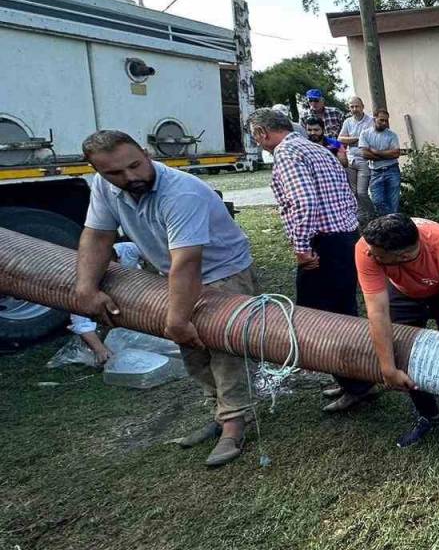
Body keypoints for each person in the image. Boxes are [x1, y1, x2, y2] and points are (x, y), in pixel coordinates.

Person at [74, 130, 258, 467]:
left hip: (222, 272)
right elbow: (98, 235)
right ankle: (223, 413)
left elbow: (188, 260)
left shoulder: (181, 192)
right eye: (115, 173)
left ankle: (234, 424)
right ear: (98, 171)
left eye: (135, 165)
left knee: (226, 347)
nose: (130, 177)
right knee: (192, 349)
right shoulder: (105, 187)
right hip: (170, 270)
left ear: (145, 153)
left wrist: (176, 318)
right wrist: (85, 287)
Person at [248, 108, 372, 411]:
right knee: (343, 311)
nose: (257, 142)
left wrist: (302, 248)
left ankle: (355, 385)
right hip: (343, 238)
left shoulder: (288, 154)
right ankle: (354, 379)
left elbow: (303, 202)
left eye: (254, 136)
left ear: (262, 133)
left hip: (322, 245)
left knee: (320, 319)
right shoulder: (316, 148)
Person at [354, 214, 439, 454]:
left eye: (377, 256)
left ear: (403, 256)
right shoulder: (366, 247)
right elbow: (377, 312)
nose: (369, 255)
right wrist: (387, 367)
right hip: (403, 292)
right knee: (400, 353)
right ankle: (429, 415)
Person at [67, 241, 143, 365]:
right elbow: (80, 321)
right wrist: (100, 349)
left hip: (140, 290)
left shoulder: (128, 249)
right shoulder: (84, 280)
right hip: (116, 306)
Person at [360, 108, 402, 216]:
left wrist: (375, 152)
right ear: (374, 119)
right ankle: (388, 221)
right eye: (381, 120)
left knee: (393, 202)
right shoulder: (365, 134)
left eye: (386, 121)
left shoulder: (392, 135)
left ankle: (393, 223)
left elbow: (396, 154)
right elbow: (365, 154)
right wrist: (386, 155)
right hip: (375, 172)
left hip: (392, 169)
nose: (384, 123)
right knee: (377, 201)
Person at [337, 96, 374, 210]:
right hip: (350, 160)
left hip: (364, 160)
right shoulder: (348, 121)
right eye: (351, 107)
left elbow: (371, 139)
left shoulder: (371, 121)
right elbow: (340, 139)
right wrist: (358, 138)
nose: (354, 109)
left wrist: (350, 139)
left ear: (362, 107)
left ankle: (371, 213)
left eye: (357, 106)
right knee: (353, 192)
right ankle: (361, 215)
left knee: (362, 192)